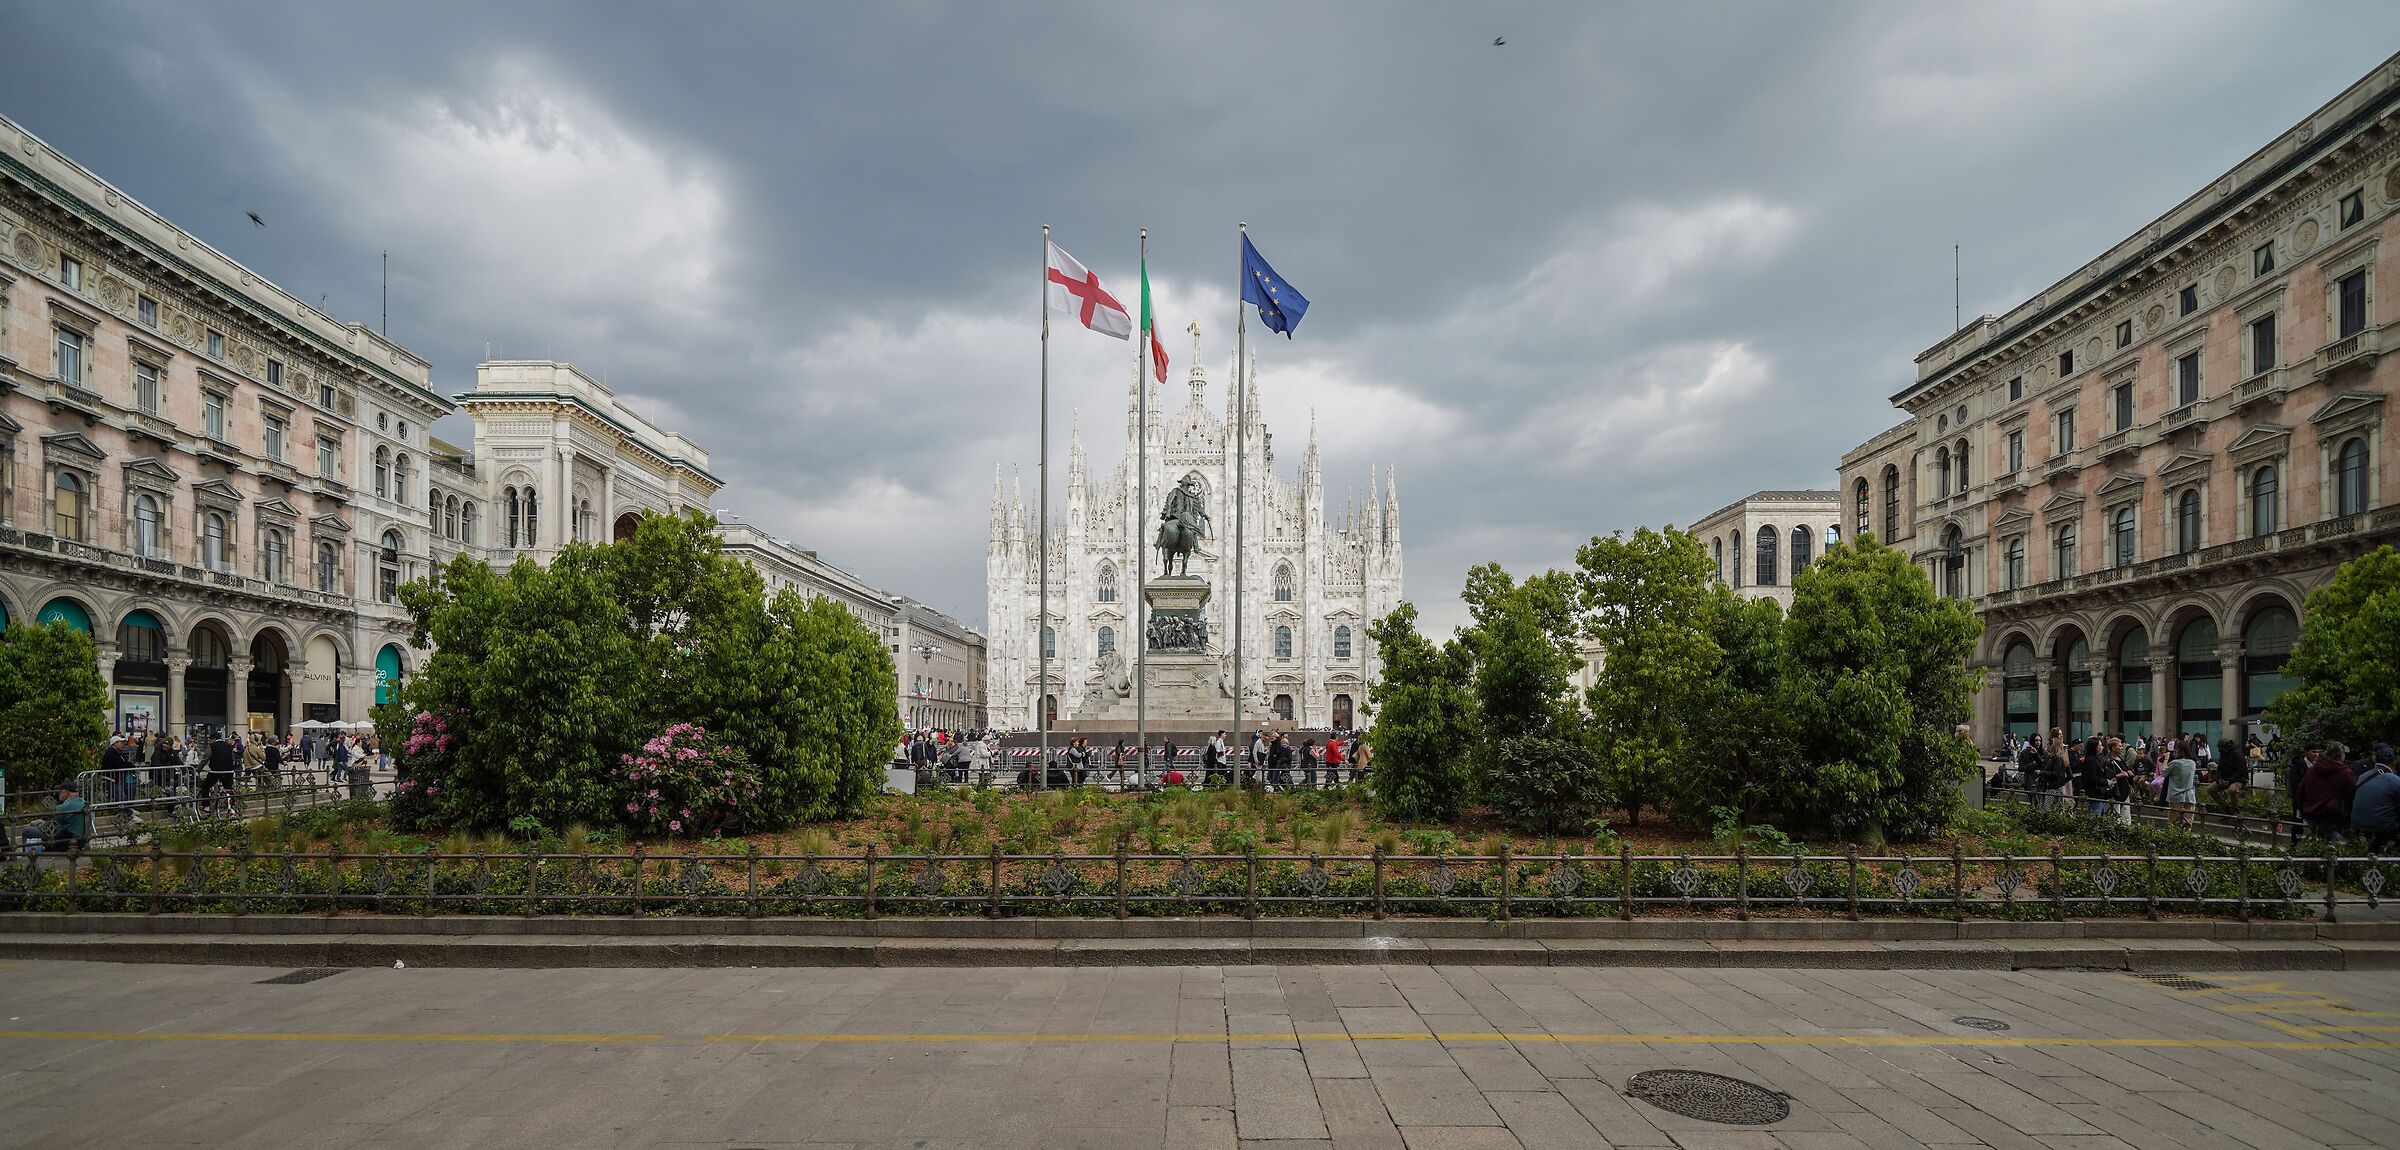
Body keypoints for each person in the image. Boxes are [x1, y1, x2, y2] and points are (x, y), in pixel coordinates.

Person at [2296, 743, 2357, 844]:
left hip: (2313, 816)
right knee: (2336, 849)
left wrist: (2304, 812)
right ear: (2341, 755)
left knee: (2322, 847)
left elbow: (2300, 792)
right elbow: (2353, 795)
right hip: (2334, 818)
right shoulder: (2345, 773)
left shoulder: (2312, 770)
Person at [2351, 746, 2400, 854]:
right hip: (2380, 830)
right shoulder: (2395, 781)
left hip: (2357, 826)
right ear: (2393, 764)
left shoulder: (2363, 776)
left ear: (2375, 760)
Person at [2162, 740, 2199, 826]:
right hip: (2189, 796)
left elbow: (2164, 772)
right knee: (2188, 824)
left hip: (2175, 796)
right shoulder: (2192, 763)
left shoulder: (2175, 763)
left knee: (2173, 823)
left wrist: (2166, 759)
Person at [45, 783, 90, 853]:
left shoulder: (65, 807)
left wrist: (37, 824)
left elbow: (51, 826)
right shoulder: (84, 803)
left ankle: (28, 857)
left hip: (66, 841)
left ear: (66, 792)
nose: (59, 793)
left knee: (28, 831)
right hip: (82, 841)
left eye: (60, 791)